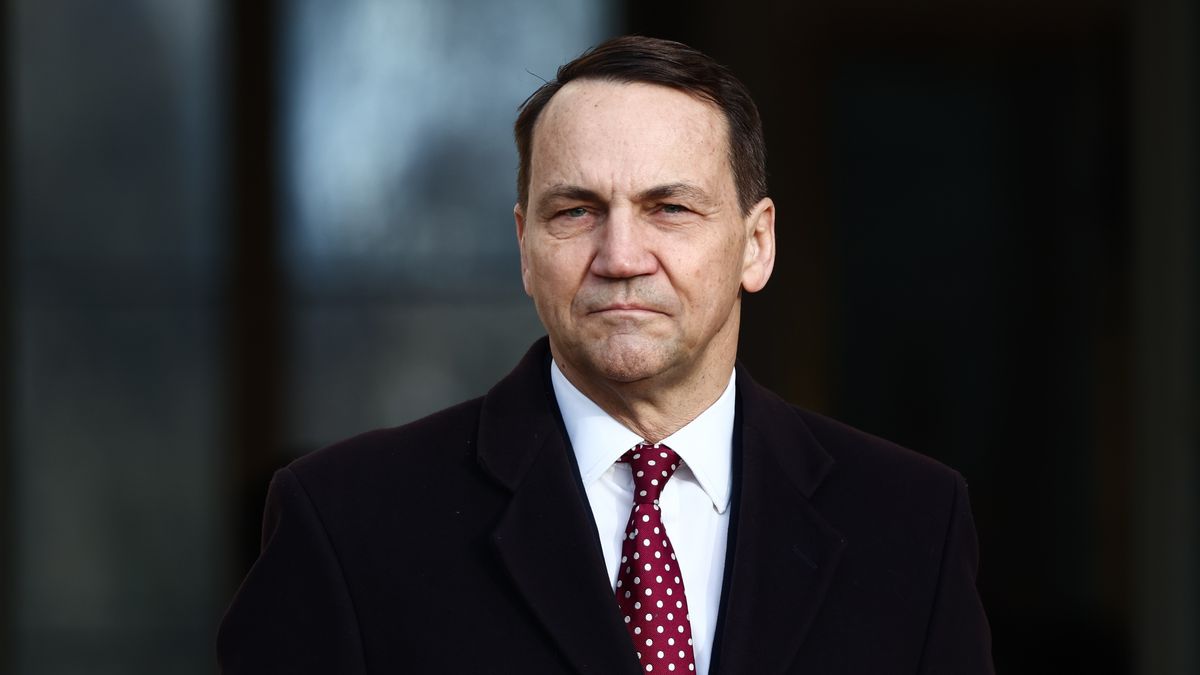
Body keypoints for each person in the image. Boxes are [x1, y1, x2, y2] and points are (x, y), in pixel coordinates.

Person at [217, 35, 994, 674]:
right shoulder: (348, 524)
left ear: (757, 244)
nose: (621, 254)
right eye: (577, 210)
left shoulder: (912, 526)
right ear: (524, 246)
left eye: (670, 208)